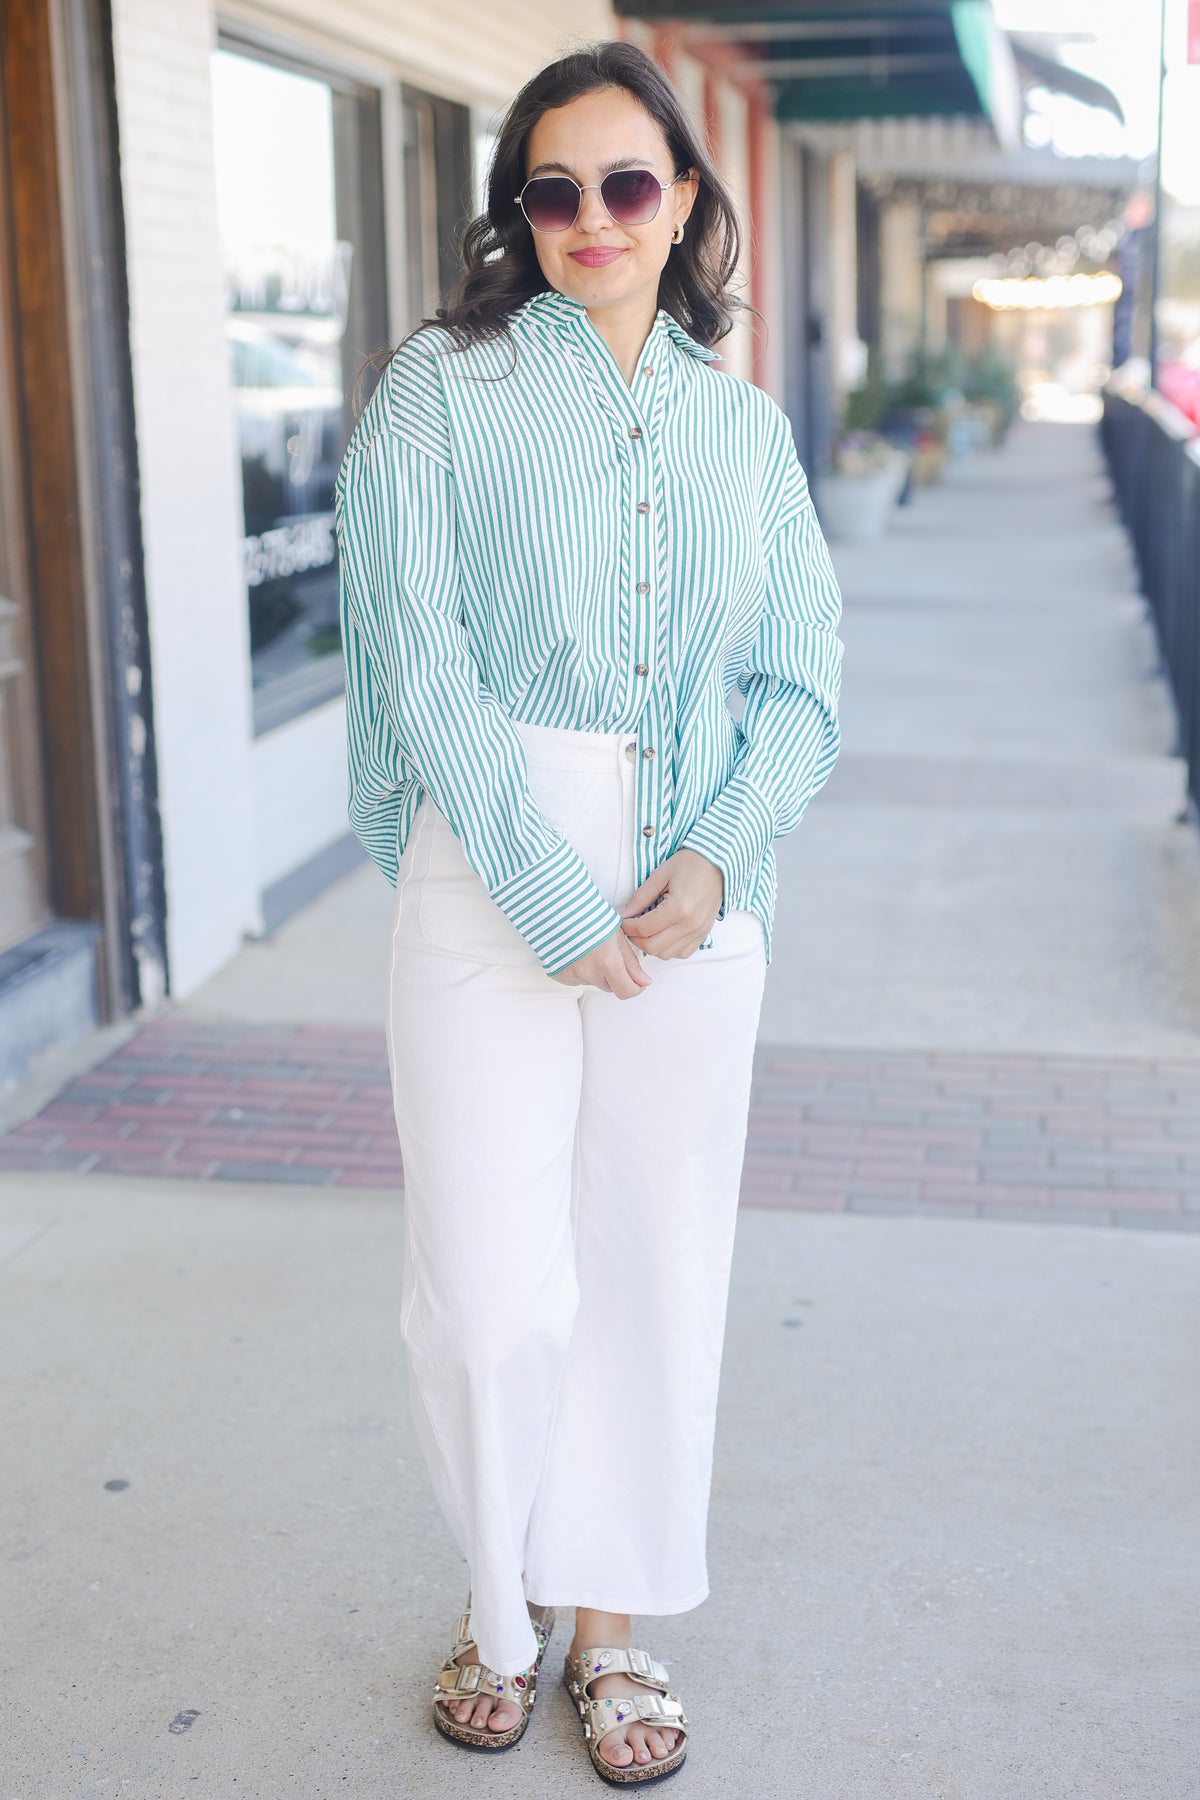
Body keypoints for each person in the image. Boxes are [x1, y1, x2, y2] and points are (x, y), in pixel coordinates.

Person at [333, 37, 844, 1787]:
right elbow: (414, 659)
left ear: (687, 200)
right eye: (554, 190)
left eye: (630, 184)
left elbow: (801, 680)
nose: (593, 219)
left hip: (692, 885)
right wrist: (552, 891)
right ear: (519, 212)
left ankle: (611, 1626)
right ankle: (502, 1606)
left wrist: (718, 853)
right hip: (490, 867)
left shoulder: (742, 428)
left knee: (651, 1268)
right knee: (485, 1292)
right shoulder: (439, 391)